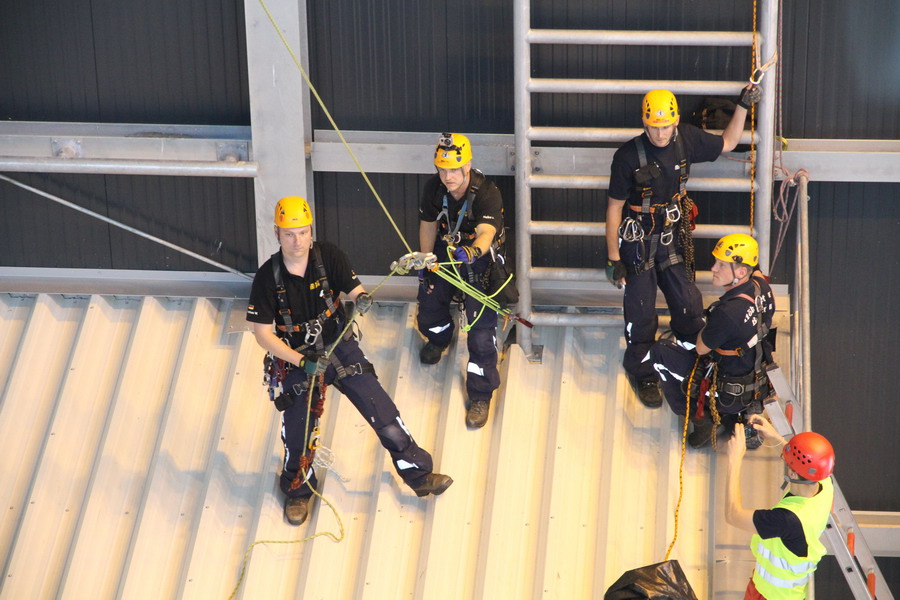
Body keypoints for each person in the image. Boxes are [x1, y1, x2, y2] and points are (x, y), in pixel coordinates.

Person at [247, 196, 453, 526]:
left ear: (310, 230)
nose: (297, 241)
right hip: (297, 360)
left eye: (302, 232)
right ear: (277, 233)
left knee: (383, 412)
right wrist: (301, 362)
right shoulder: (266, 279)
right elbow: (263, 335)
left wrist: (361, 297)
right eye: (289, 234)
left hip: (339, 346)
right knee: (298, 433)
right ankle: (299, 491)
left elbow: (352, 287)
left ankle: (419, 475)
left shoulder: (328, 256)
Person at [606, 86, 760, 407]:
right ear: (644, 123)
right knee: (641, 310)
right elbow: (613, 208)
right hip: (638, 240)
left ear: (675, 122)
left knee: (689, 303)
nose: (660, 133)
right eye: (653, 126)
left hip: (672, 234)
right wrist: (612, 258)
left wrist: (743, 105)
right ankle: (642, 371)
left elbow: (729, 142)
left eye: (666, 126)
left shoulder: (687, 139)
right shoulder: (627, 157)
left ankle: (692, 361)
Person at [649, 233, 775, 448]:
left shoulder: (727, 313)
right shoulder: (762, 287)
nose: (713, 269)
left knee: (659, 352)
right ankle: (742, 415)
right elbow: (758, 273)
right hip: (757, 376)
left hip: (728, 392)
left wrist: (707, 328)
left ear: (741, 272)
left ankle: (700, 420)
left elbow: (700, 348)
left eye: (721, 265)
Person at [417, 132, 506, 429]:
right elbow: (428, 224)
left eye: (453, 169)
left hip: (479, 256)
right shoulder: (434, 189)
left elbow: (486, 234)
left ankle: (480, 394)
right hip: (447, 248)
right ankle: (439, 336)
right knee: (429, 299)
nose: (447, 176)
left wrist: (473, 251)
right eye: (442, 169)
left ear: (467, 166)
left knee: (481, 330)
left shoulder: (487, 192)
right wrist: (427, 260)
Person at [726, 416, 836, 600]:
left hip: (770, 596)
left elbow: (732, 515)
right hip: (769, 587)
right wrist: (775, 436)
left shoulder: (788, 520)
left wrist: (735, 460)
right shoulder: (824, 482)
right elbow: (802, 465)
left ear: (792, 472)